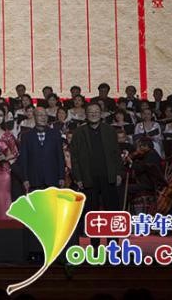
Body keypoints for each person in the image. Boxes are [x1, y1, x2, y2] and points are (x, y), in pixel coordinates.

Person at [70, 103, 122, 247]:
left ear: (101, 113)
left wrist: (118, 173)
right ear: (86, 114)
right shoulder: (79, 132)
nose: (93, 114)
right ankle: (94, 246)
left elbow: (116, 154)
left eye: (96, 111)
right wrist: (78, 178)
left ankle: (113, 245)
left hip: (108, 176)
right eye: (90, 112)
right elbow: (74, 157)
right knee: (92, 213)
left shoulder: (109, 130)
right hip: (89, 178)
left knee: (112, 212)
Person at [19, 108, 65, 192]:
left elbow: (60, 156)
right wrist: (25, 179)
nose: (43, 118)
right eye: (40, 115)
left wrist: (62, 176)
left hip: (52, 179)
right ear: (34, 117)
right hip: (34, 180)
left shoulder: (55, 134)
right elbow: (24, 159)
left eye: (45, 115)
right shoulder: (26, 136)